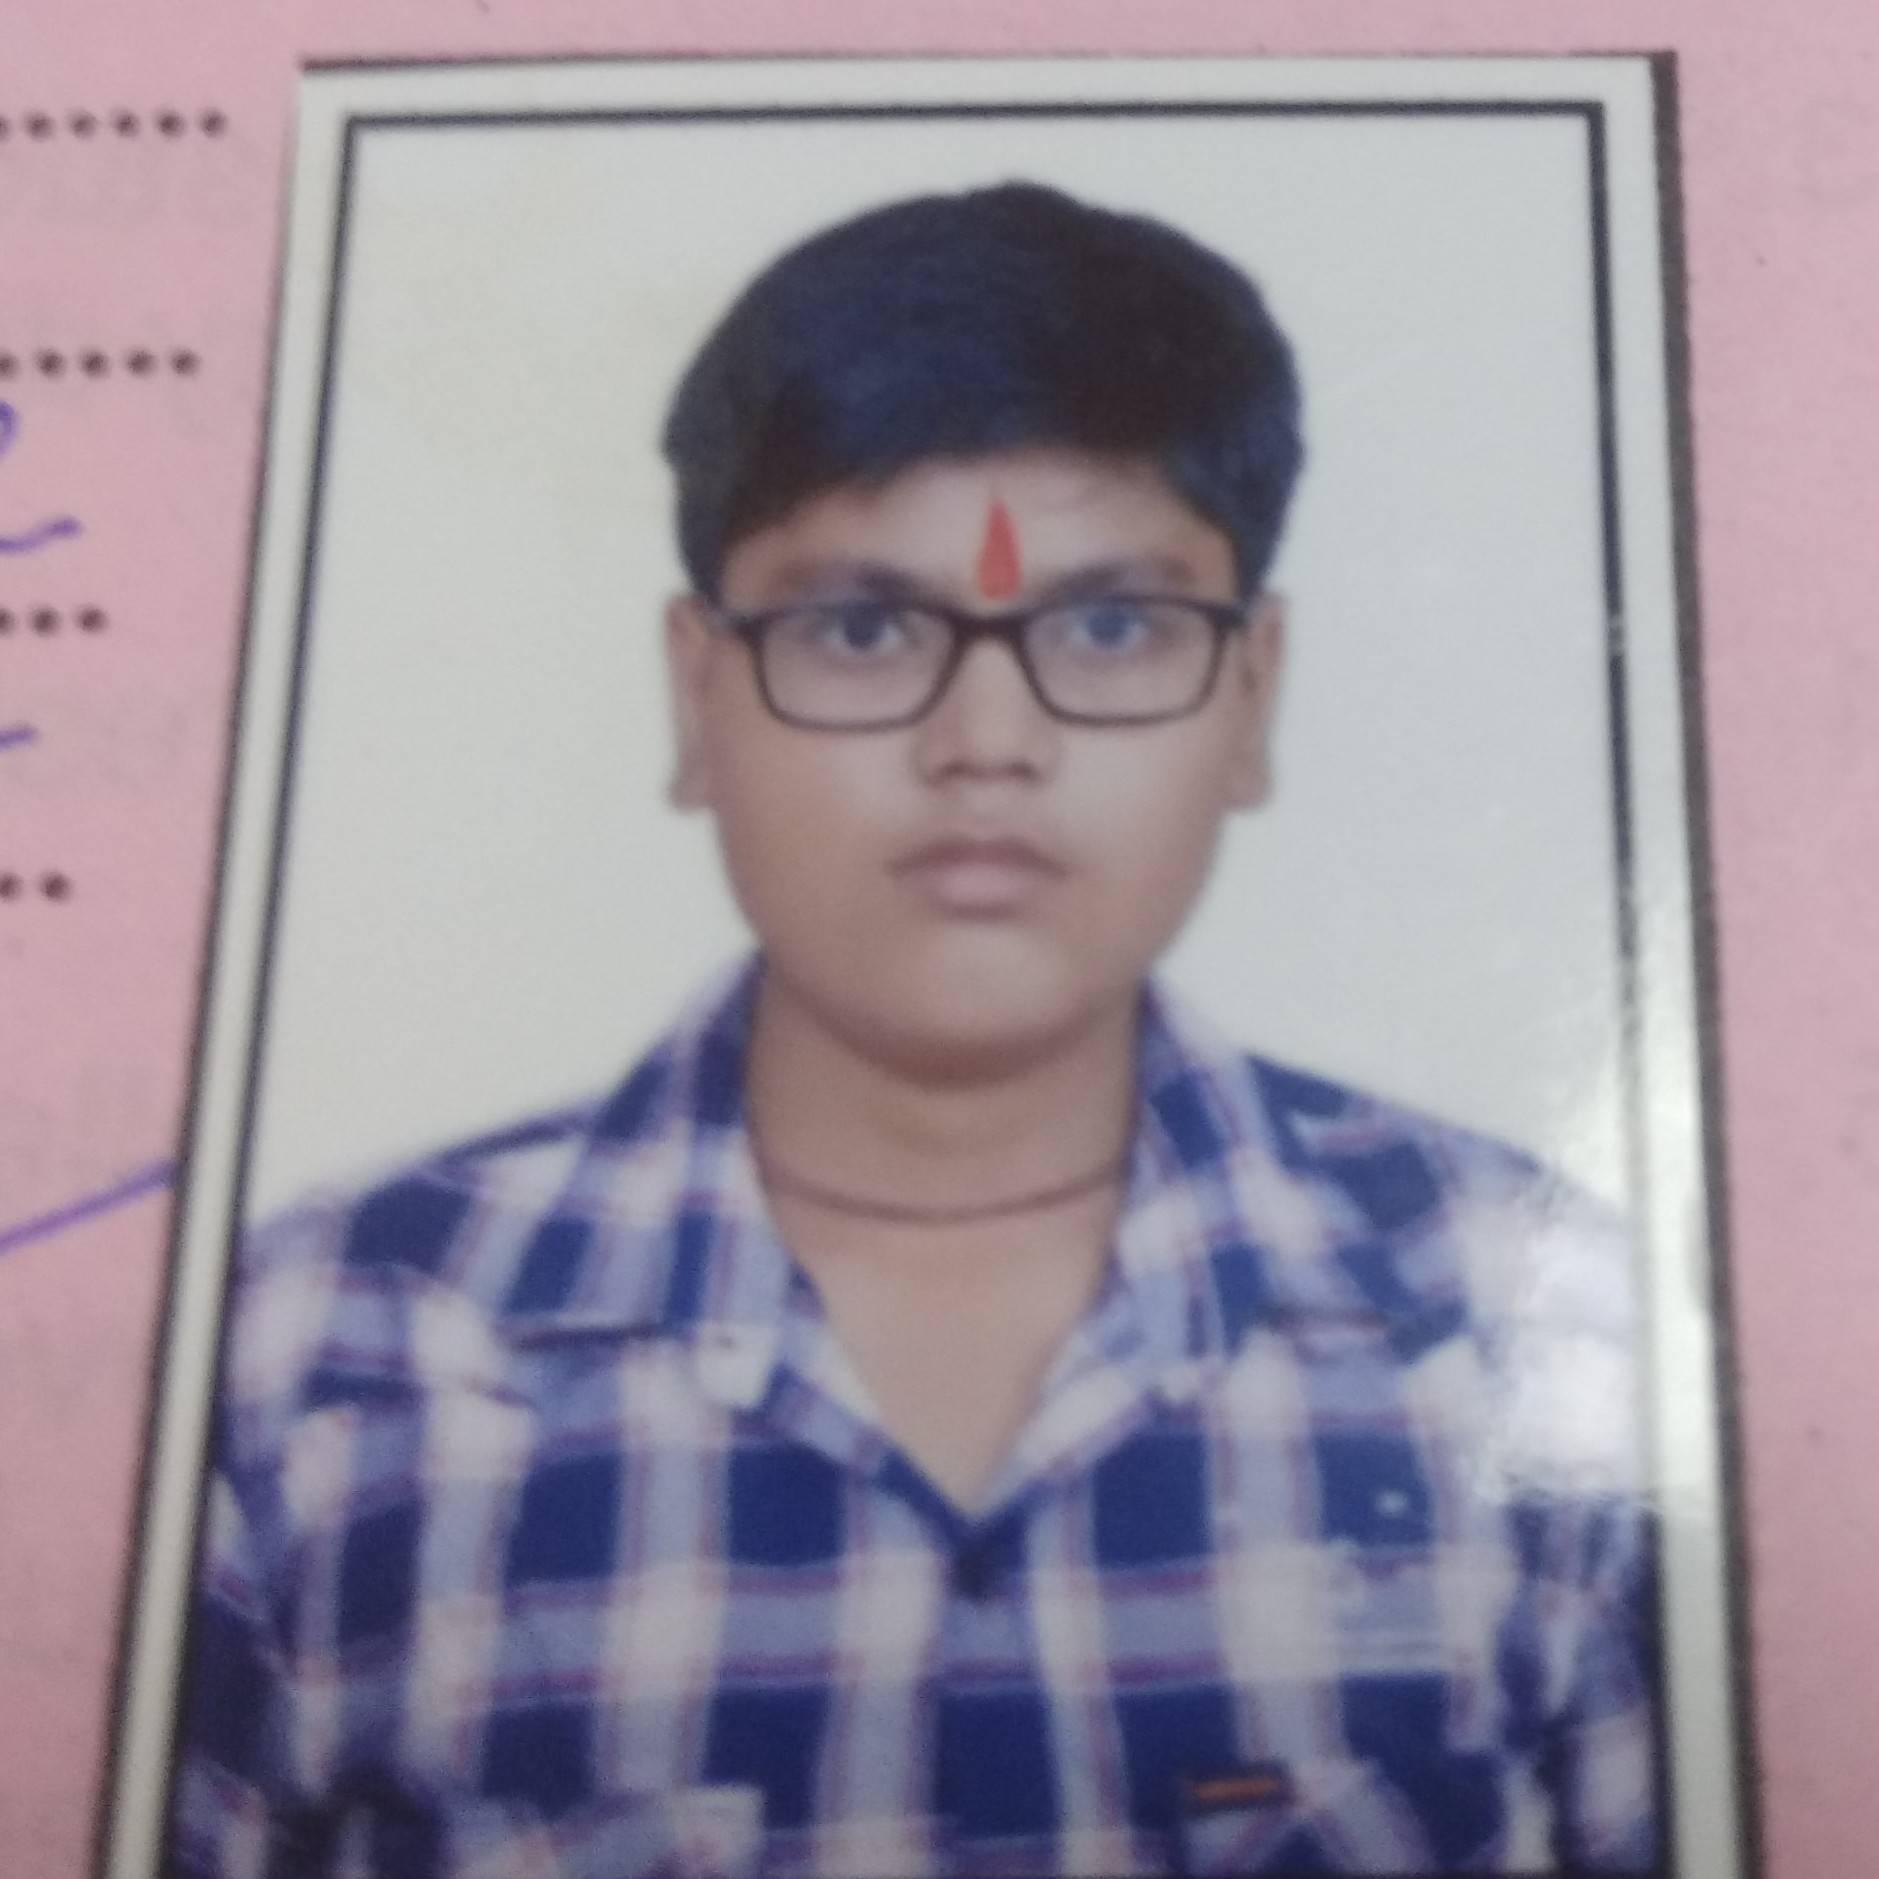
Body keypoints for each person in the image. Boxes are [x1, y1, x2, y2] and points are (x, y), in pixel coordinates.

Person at [170, 181, 1659, 1877]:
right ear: (697, 694)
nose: (987, 741)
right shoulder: (320, 1355)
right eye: (864, 628)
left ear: (1251, 699)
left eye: (1111, 626)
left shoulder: (1528, 1319)